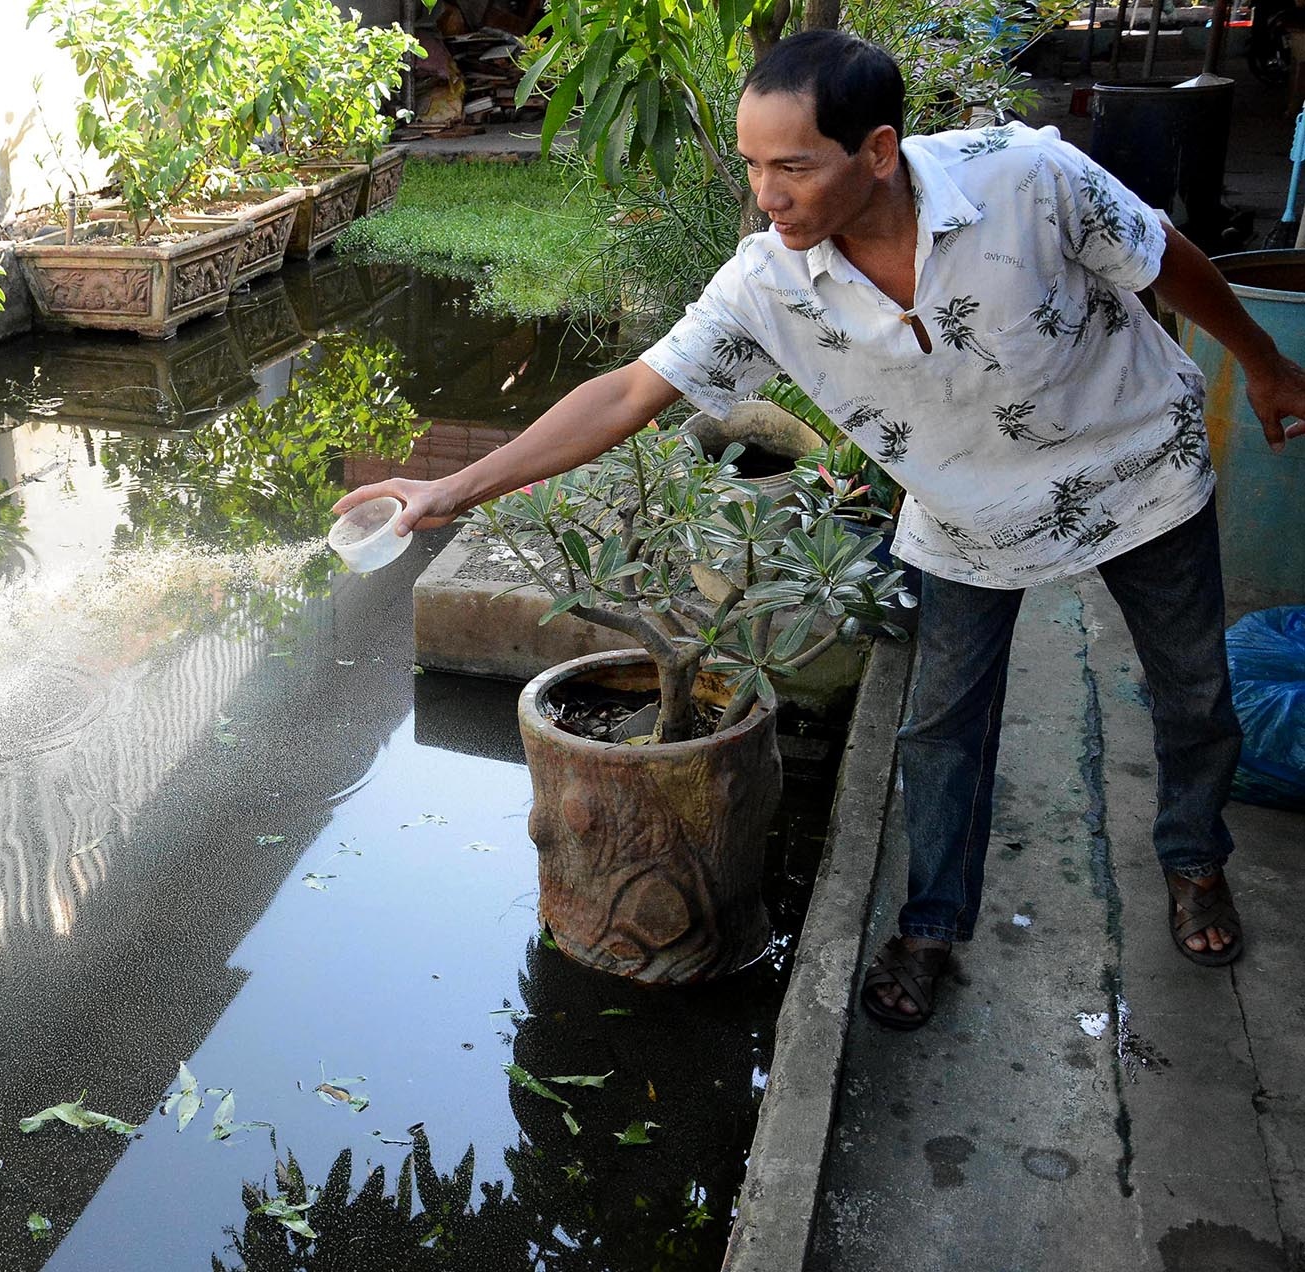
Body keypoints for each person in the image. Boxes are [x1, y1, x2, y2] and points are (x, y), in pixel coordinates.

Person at [333, 29, 1305, 1029]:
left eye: (793, 166)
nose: (767, 193)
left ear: (877, 150)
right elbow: (629, 390)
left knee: (1192, 688)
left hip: (1136, 465)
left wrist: (1263, 364)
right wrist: (453, 490)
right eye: (755, 166)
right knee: (941, 734)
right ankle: (930, 928)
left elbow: (1161, 255)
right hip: (970, 515)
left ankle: (1194, 860)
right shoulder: (769, 283)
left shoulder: (1028, 177)